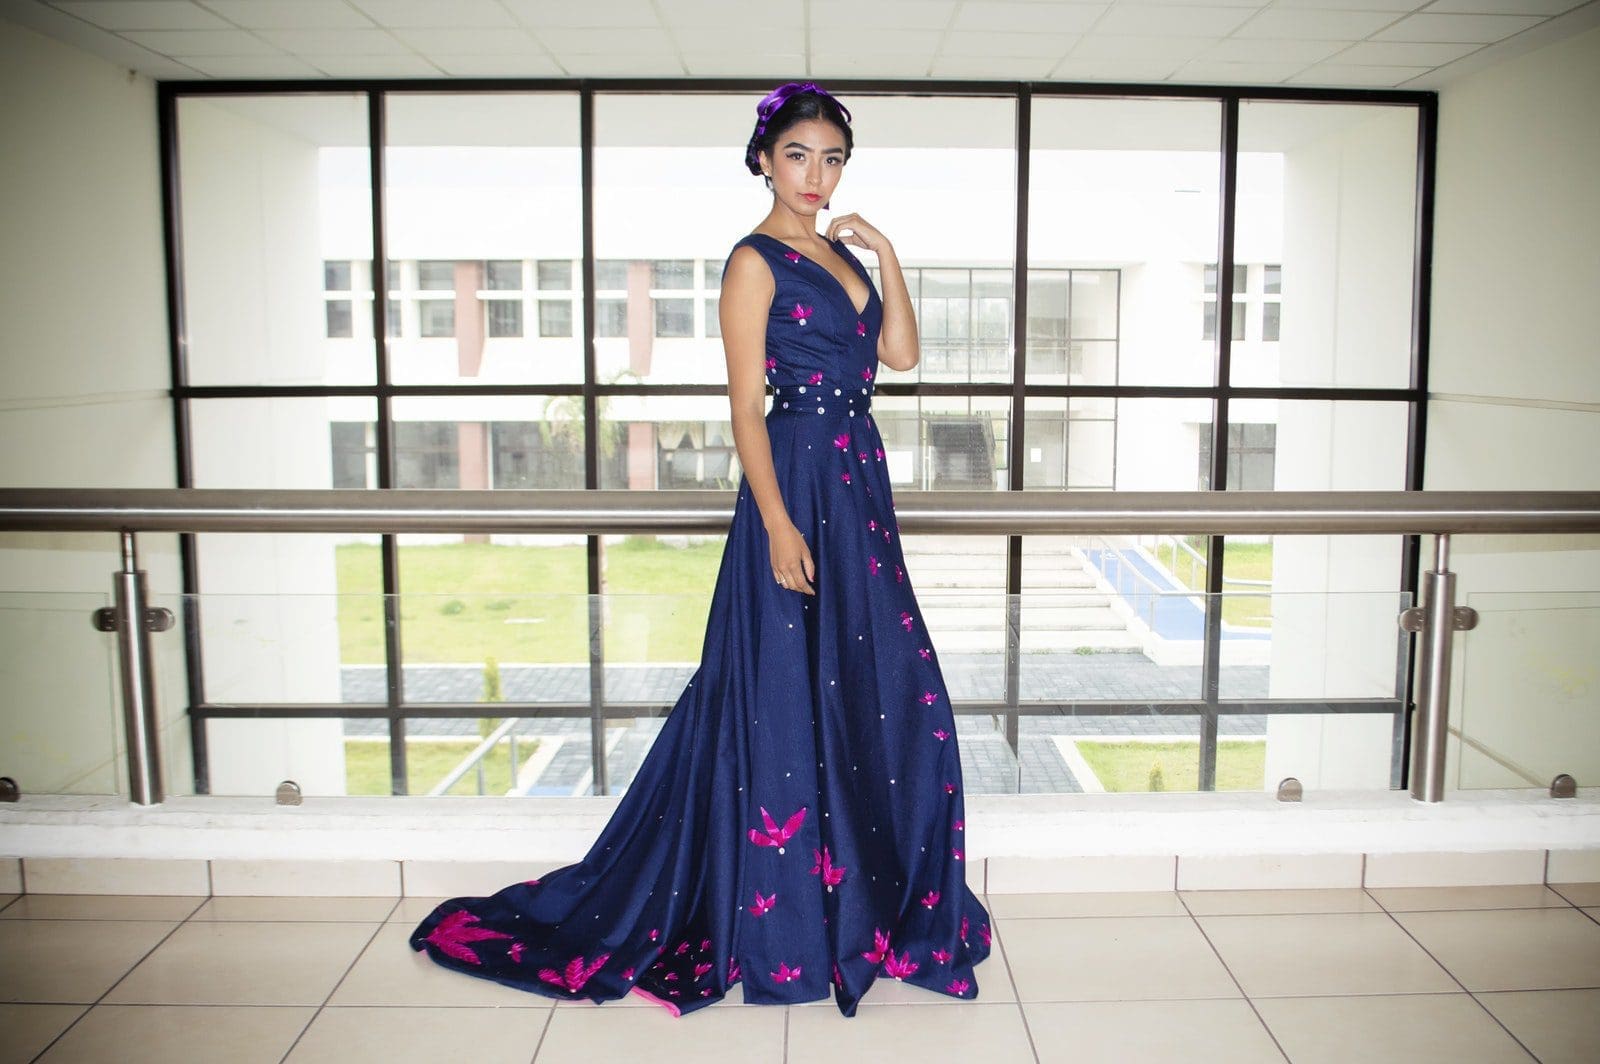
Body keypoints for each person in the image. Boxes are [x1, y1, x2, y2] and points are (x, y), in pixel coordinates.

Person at [409, 81, 991, 1018]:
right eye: (798, 155)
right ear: (763, 158)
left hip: (857, 484)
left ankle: (865, 902)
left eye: (832, 158)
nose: (815, 175)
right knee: (780, 701)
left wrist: (883, 253)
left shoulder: (844, 257)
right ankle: (787, 920)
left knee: (890, 690)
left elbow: (904, 356)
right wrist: (777, 521)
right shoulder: (752, 262)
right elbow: (742, 409)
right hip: (795, 479)